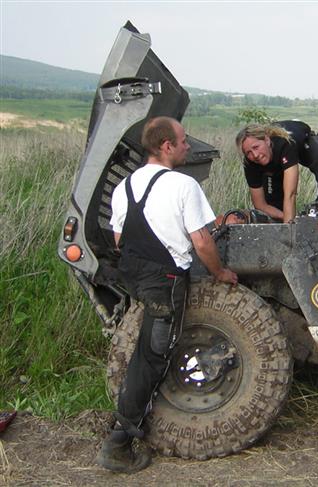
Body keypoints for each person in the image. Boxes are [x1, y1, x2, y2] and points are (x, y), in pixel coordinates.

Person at [97, 116, 238, 473]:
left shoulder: (125, 186)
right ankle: (119, 443)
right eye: (182, 140)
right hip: (165, 279)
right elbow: (202, 240)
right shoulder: (182, 184)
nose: (188, 145)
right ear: (166, 146)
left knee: (148, 347)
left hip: (135, 274)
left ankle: (126, 428)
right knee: (154, 355)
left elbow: (118, 239)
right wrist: (220, 272)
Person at [235, 120, 318, 222]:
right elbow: (260, 204)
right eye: (248, 152)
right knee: (274, 204)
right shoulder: (250, 162)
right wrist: (285, 217)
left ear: (267, 140)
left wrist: (290, 231)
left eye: (256, 147)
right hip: (275, 158)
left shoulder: (284, 144)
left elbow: (290, 194)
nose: (255, 155)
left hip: (305, 145)